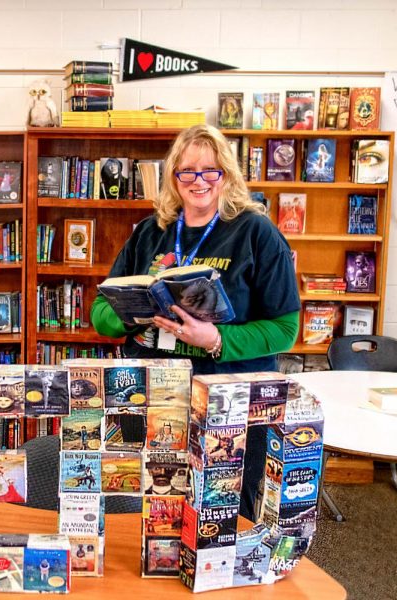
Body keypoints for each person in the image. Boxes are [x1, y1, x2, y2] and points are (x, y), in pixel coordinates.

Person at [91, 124, 300, 519]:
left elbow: (285, 329)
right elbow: (100, 313)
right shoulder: (152, 232)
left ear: (227, 174)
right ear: (174, 178)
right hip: (151, 394)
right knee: (147, 502)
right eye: (187, 171)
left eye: (210, 170)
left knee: (223, 509)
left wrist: (215, 339)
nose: (198, 181)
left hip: (226, 398)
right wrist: (134, 316)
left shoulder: (256, 232)